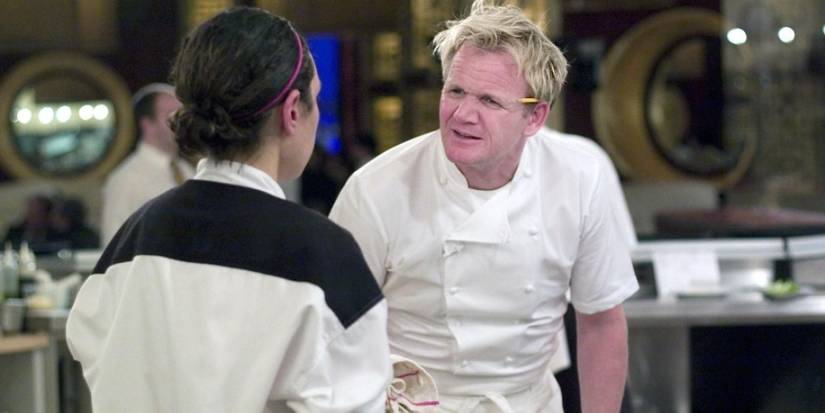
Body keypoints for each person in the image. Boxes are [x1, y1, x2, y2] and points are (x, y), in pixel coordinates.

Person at [67, 7, 390, 412]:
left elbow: (91, 345)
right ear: (292, 110)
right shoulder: (324, 255)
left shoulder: (135, 236)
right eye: (317, 98)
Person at [329, 2, 639, 411]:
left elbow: (601, 324)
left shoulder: (578, 178)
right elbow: (332, 331)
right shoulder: (376, 189)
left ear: (534, 117)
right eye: (455, 91)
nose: (463, 114)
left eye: (490, 101)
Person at [100, 82, 194, 243]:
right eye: (172, 115)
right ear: (147, 125)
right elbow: (113, 245)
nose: (182, 123)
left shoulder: (186, 170)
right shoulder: (126, 179)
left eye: (183, 114)